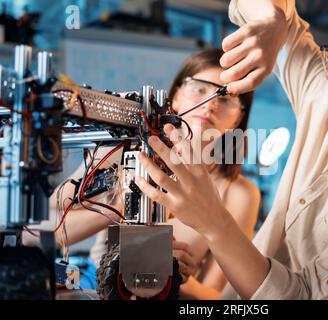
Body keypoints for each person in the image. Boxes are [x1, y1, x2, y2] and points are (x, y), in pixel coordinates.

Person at [134, 0, 328, 299]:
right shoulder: (324, 97)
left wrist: (214, 222)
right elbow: (264, 8)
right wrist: (272, 21)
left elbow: (304, 296)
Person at [25, 48, 260, 299]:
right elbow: (36, 232)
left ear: (238, 119)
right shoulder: (123, 150)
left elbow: (221, 297)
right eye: (200, 88)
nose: (211, 103)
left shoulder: (239, 194)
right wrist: (120, 205)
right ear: (176, 96)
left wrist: (168, 273)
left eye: (226, 98)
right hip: (95, 287)